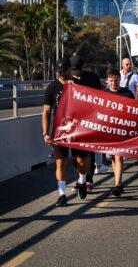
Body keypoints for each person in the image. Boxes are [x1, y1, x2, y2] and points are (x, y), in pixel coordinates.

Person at [42, 57, 90, 206]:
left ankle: (82, 181)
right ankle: (62, 194)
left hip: (77, 129)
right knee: (60, 163)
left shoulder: (80, 85)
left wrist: (74, 87)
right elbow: (46, 112)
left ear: (70, 69)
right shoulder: (52, 87)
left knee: (81, 161)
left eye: (64, 70)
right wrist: (45, 132)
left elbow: (88, 107)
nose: (62, 73)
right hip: (59, 131)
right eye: (60, 71)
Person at [69, 55, 105, 192]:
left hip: (90, 120)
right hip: (73, 122)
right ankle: (80, 179)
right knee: (76, 154)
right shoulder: (68, 79)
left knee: (88, 151)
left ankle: (88, 179)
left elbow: (101, 97)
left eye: (78, 70)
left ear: (83, 67)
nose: (76, 74)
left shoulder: (92, 78)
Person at [104, 68, 135, 197]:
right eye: (111, 81)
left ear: (119, 79)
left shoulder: (127, 93)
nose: (113, 83)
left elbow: (135, 110)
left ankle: (118, 184)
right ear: (107, 81)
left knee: (119, 156)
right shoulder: (104, 93)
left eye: (116, 80)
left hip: (122, 130)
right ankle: (118, 182)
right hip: (109, 131)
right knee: (113, 157)